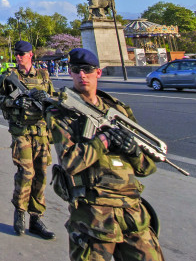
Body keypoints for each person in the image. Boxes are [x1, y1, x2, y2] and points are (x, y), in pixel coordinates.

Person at [51, 48, 164, 260]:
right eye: (76, 70)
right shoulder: (61, 112)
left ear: (98, 72)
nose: (82, 75)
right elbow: (70, 163)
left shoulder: (119, 111)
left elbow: (147, 168)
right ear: (70, 73)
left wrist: (132, 151)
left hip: (132, 211)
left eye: (87, 70)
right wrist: (104, 140)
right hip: (93, 215)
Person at [0, 40, 57, 240]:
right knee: (26, 172)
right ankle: (19, 213)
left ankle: (36, 218)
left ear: (30, 55)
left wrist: (46, 99)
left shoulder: (43, 76)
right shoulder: (10, 77)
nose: (19, 57)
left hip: (42, 132)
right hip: (22, 132)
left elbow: (53, 102)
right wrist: (15, 101)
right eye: (17, 54)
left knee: (41, 175)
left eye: (23, 54)